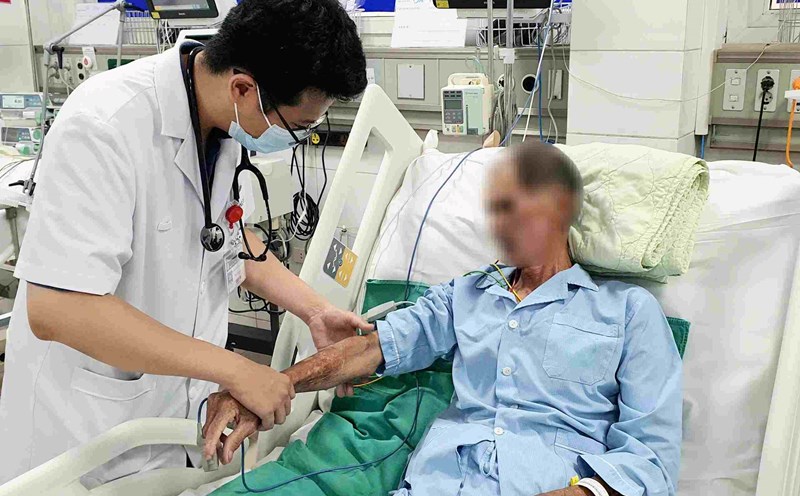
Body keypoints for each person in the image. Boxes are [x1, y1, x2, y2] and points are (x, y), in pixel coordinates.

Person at [0, 0, 370, 487]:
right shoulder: (104, 125)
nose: (297, 140)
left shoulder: (224, 121)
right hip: (86, 431)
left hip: (172, 421)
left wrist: (315, 310)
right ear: (244, 87)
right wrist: (236, 369)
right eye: (297, 127)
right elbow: (58, 308)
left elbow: (224, 238)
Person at [205, 142, 683, 496]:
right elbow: (374, 348)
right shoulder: (467, 293)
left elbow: (651, 460)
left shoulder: (628, 311)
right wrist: (272, 387)